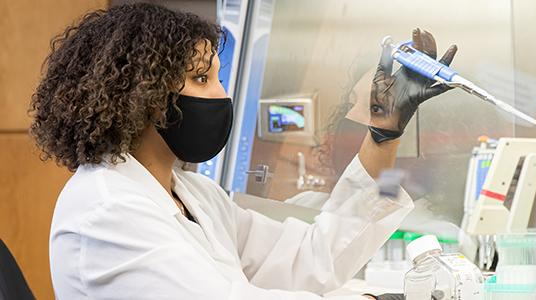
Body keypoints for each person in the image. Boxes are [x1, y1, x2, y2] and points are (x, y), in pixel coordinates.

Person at [29, 3, 456, 299]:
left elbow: (312, 258)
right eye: (201, 80)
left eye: (218, 76)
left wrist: (384, 131)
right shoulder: (105, 211)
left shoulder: (194, 195)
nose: (221, 94)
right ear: (143, 96)